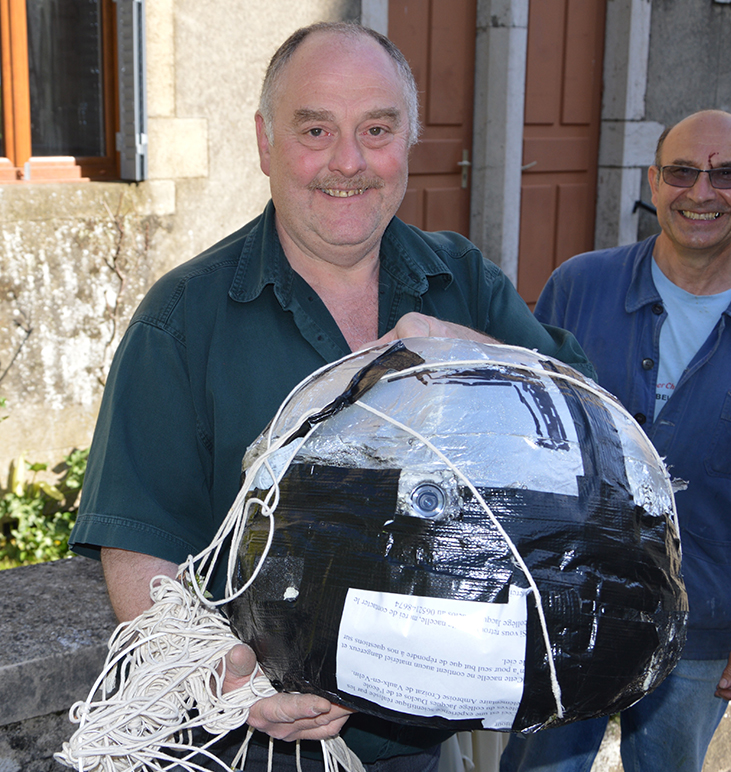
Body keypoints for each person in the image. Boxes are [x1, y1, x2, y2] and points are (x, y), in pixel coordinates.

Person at [68, 22, 594, 772]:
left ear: (409, 141)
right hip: (245, 751)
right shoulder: (182, 319)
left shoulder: (462, 283)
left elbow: (591, 428)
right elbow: (138, 545)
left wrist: (468, 352)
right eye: (315, 130)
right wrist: (225, 676)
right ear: (265, 143)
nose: (348, 162)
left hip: (422, 749)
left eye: (376, 130)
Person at [499, 110, 731, 772]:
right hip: (567, 602)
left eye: (726, 174)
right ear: (654, 181)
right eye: (681, 171)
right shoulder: (578, 287)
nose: (701, 192)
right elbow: (520, 440)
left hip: (704, 619)